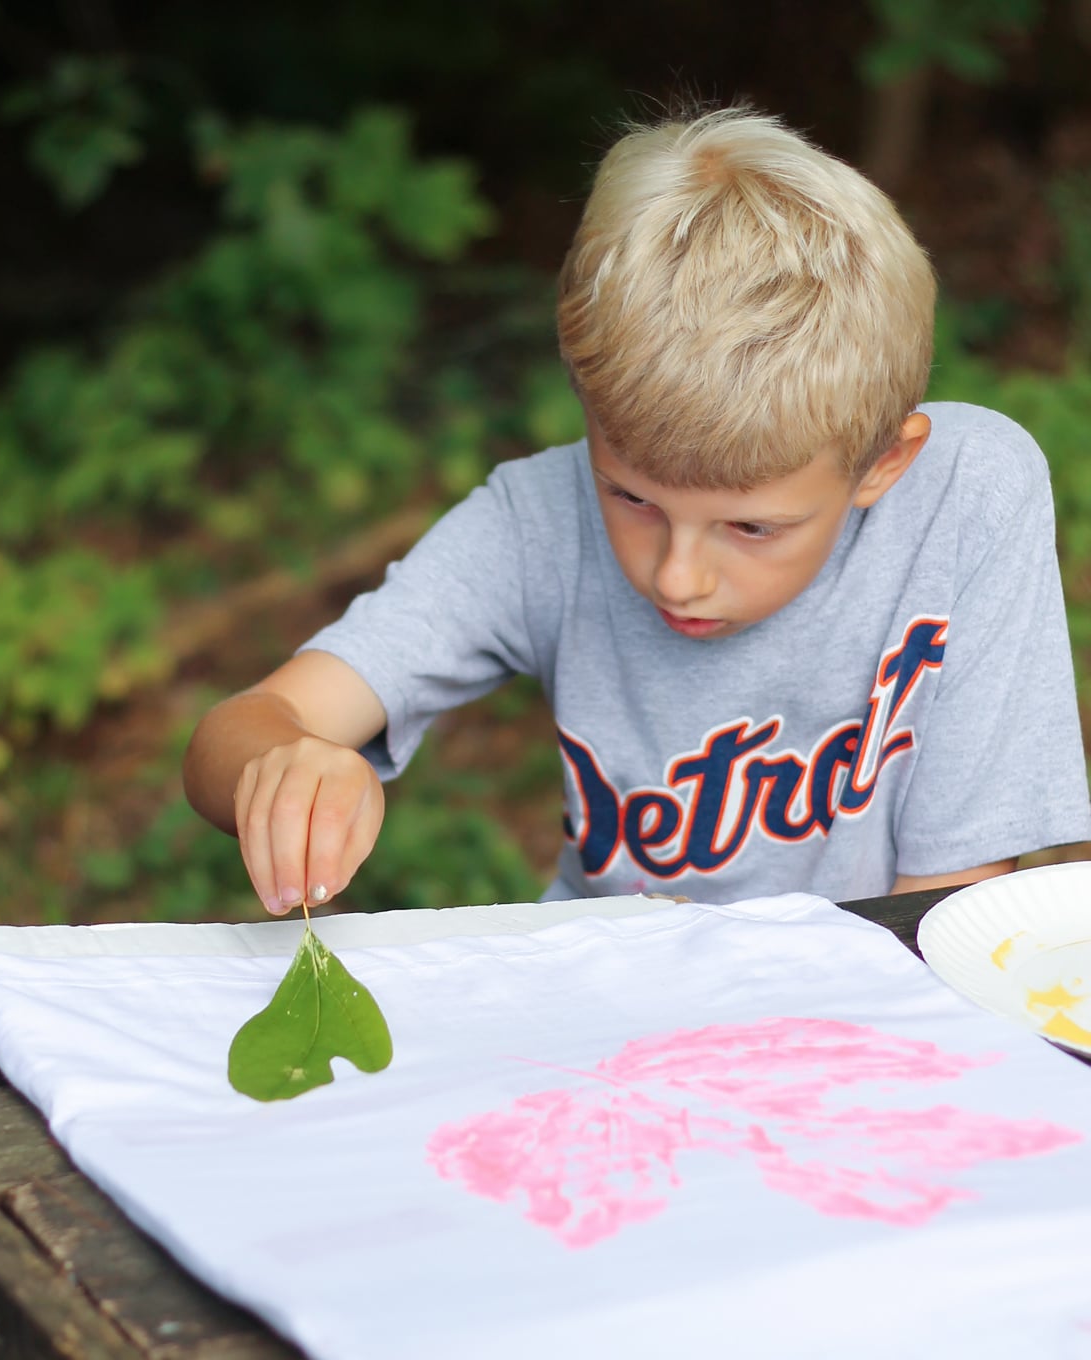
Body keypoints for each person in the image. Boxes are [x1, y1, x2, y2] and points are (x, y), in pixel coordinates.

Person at [183, 105, 1091, 915]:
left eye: (752, 527)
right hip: (611, 1019)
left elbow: (952, 902)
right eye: (630, 496)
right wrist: (280, 766)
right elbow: (241, 729)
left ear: (882, 465)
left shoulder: (969, 492)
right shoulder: (535, 525)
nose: (677, 575)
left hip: (872, 1009)